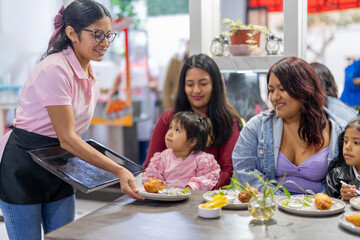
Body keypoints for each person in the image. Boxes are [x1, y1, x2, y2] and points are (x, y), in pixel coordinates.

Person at [0, 1, 143, 239]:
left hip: (58, 164)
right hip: (24, 168)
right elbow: (67, 138)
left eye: (109, 35)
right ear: (71, 33)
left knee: (65, 236)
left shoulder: (88, 71)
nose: (105, 42)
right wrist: (119, 170)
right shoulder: (55, 69)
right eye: (97, 34)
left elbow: (69, 138)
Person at [232, 57, 345, 195]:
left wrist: (313, 204)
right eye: (271, 90)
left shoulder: (338, 131)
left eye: (282, 89)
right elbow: (243, 169)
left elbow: (346, 180)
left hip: (320, 211)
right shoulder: (256, 127)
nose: (274, 97)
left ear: (304, 90)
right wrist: (282, 200)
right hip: (272, 208)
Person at [144, 53, 243, 189]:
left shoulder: (228, 122)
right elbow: (150, 167)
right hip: (166, 201)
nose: (196, 90)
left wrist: (195, 194)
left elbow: (227, 171)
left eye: (203, 84)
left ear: (216, 85)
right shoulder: (168, 119)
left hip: (208, 201)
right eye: (190, 84)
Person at [143, 111, 220, 190]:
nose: (170, 133)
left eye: (177, 130)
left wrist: (192, 187)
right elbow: (152, 176)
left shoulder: (202, 159)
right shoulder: (163, 157)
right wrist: (163, 188)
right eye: (170, 128)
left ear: (192, 141)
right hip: (166, 198)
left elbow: (207, 179)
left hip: (192, 199)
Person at [326, 116, 360, 200]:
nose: (347, 147)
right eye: (345, 141)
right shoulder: (336, 176)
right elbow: (329, 207)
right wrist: (343, 199)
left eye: (356, 142)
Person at [162, 39, 189, 111]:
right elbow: (167, 84)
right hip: (176, 102)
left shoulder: (198, 62)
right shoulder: (175, 60)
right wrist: (167, 107)